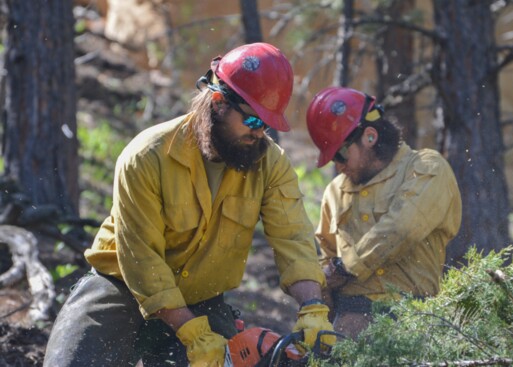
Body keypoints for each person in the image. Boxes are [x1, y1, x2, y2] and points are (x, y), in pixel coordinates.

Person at [44, 42, 334, 367]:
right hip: (122, 288)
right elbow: (140, 258)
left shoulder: (271, 165)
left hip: (201, 301)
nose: (260, 133)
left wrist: (312, 307)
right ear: (218, 100)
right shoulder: (146, 156)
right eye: (253, 122)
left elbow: (293, 238)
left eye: (267, 125)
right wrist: (190, 331)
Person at [306, 86, 462, 339]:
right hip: (348, 318)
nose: (338, 165)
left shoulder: (426, 168)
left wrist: (346, 268)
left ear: (369, 137)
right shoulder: (335, 192)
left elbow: (402, 228)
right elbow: (327, 259)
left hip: (414, 317)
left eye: (340, 154)